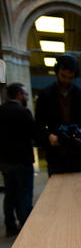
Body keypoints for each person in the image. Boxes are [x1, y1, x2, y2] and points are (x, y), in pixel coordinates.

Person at [35, 54, 81, 176]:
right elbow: (38, 125)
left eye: (70, 77)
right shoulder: (45, 95)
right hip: (57, 158)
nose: (66, 80)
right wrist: (49, 136)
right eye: (63, 76)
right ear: (56, 72)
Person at [0, 83, 37, 236]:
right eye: (26, 94)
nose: (27, 97)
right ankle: (25, 226)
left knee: (9, 193)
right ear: (19, 94)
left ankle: (10, 226)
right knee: (24, 194)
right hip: (22, 161)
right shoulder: (23, 112)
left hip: (5, 161)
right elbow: (34, 134)